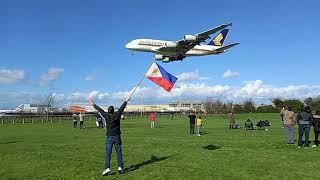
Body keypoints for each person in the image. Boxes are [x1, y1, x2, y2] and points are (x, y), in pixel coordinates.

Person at [89, 97, 129, 176]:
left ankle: (107, 168)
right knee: (119, 152)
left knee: (108, 153)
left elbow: (100, 110)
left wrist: (93, 104)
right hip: (117, 136)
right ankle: (120, 167)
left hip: (110, 137)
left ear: (108, 111)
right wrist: (126, 101)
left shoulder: (106, 116)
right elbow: (121, 108)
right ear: (113, 111)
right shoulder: (117, 115)